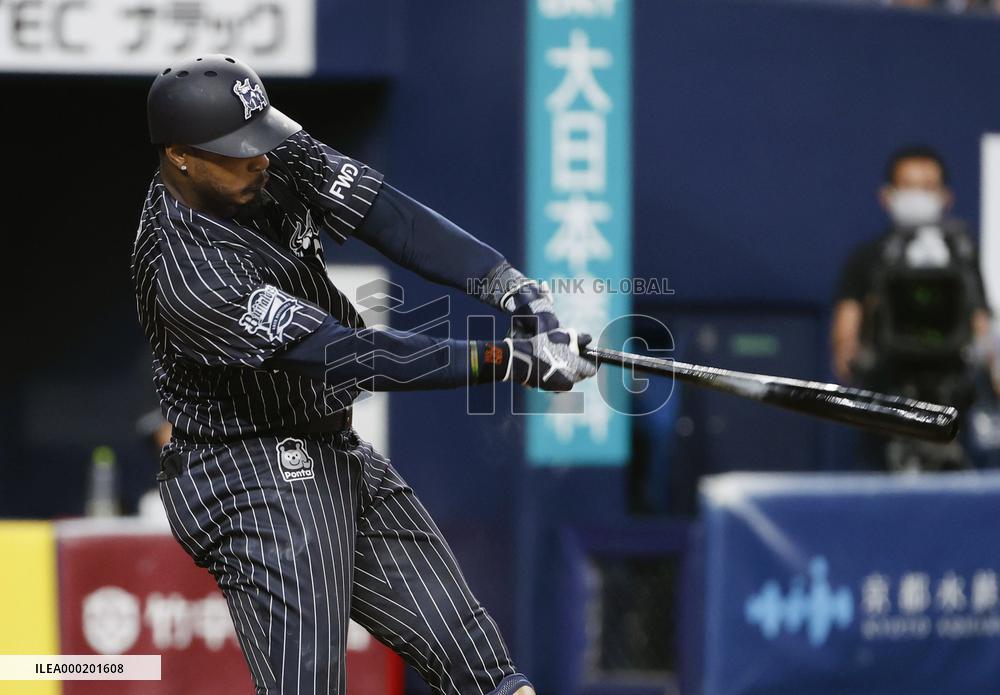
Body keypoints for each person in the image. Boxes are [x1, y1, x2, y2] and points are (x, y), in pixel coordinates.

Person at [131, 54, 596, 695]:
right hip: (247, 471)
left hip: (328, 441)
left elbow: (392, 218)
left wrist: (516, 292)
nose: (260, 158)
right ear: (181, 155)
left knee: (482, 666)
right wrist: (510, 359)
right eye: (238, 151)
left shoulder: (269, 152)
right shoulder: (189, 272)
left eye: (260, 138)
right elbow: (350, 354)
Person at [831, 144, 991, 469]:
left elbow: (983, 331)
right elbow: (844, 348)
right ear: (887, 195)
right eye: (909, 187)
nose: (919, 196)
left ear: (946, 196)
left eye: (928, 187)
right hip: (886, 414)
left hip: (952, 415)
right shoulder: (868, 261)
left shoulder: (963, 260)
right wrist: (861, 349)